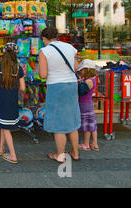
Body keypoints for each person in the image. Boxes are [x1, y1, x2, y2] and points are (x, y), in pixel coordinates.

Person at [39, 27, 81, 162]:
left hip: (56, 87)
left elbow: (43, 74)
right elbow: (75, 67)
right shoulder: (69, 47)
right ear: (56, 36)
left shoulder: (44, 51)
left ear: (44, 38)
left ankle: (60, 155)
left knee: (59, 122)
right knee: (71, 121)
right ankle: (75, 153)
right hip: (72, 85)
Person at [0, 42, 26, 164]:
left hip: (0, 101)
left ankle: (13, 155)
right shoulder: (18, 69)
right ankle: (1, 147)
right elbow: (23, 88)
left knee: (5, 128)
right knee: (3, 125)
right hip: (12, 102)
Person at [77, 59, 99, 151]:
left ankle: (86, 144)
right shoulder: (93, 78)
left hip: (84, 104)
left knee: (86, 126)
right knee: (91, 125)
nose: (81, 71)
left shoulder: (88, 81)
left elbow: (81, 92)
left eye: (82, 70)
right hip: (88, 104)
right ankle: (94, 144)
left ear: (87, 70)